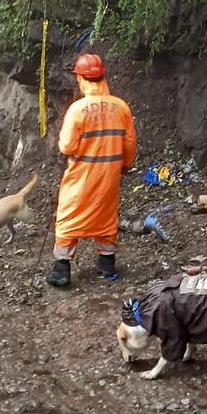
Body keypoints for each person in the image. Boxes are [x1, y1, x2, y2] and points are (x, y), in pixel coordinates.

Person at [46, 53, 137, 287]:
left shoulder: (78, 109)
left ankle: (61, 269)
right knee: (106, 216)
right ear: (102, 76)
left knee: (69, 216)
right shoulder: (121, 107)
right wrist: (125, 164)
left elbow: (67, 145)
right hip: (109, 175)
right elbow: (129, 144)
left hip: (81, 175)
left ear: (82, 79)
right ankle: (107, 265)